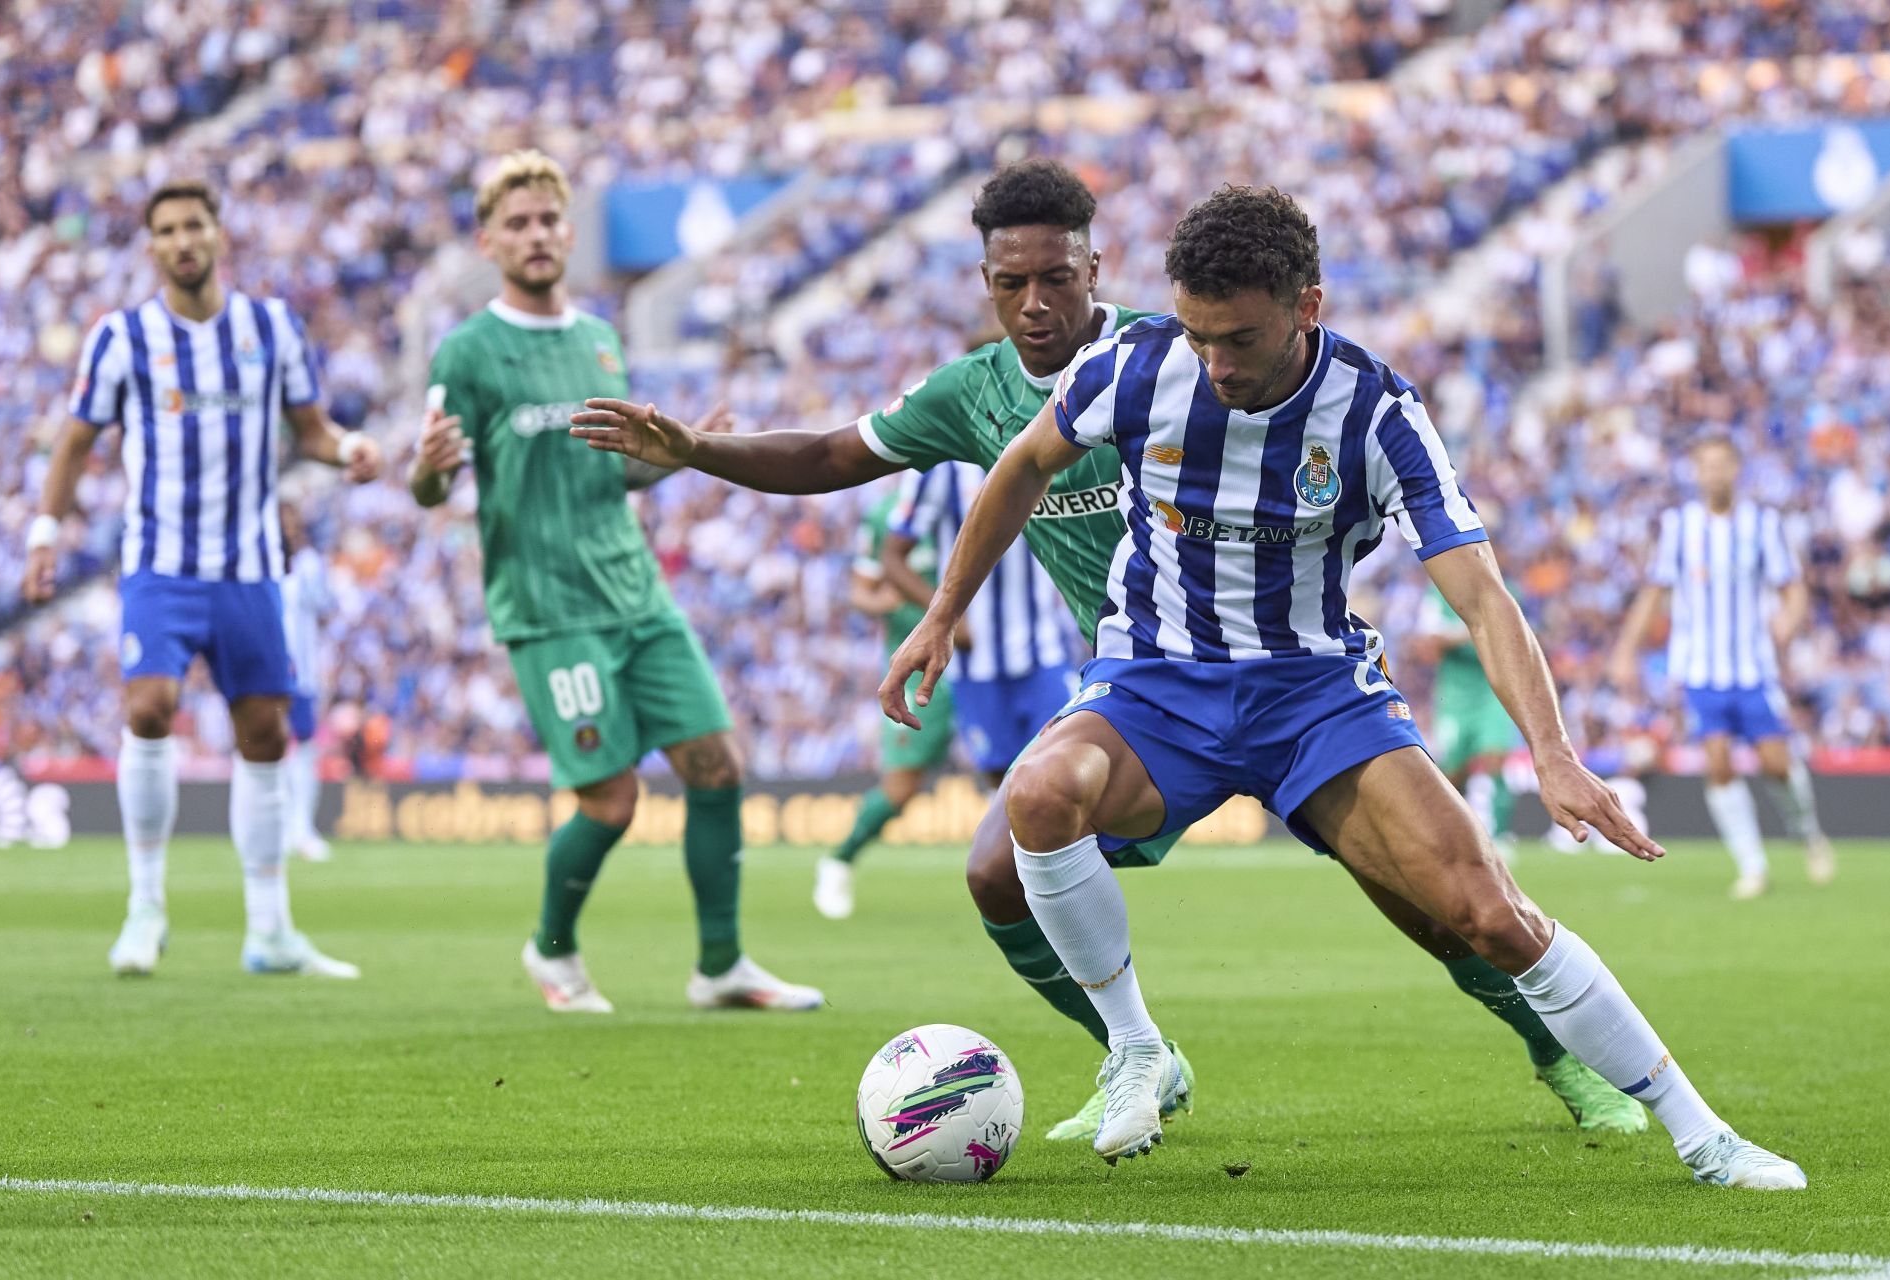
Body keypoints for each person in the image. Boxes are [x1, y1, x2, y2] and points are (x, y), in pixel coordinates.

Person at [573, 160, 1644, 1140]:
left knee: (1429, 902)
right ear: (986, 284)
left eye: (1055, 276)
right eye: (1009, 283)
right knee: (997, 870)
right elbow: (830, 452)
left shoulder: (1181, 354)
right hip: (1139, 702)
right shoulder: (976, 391)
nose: (1035, 302)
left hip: (1282, 679)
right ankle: (1140, 1056)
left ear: (1099, 267)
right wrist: (700, 449)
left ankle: (1564, 1056)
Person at [878, 184, 1804, 1189]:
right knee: (1037, 796)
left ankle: (1705, 1134)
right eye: (1198, 336)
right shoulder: (1140, 364)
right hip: (1156, 683)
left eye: (1237, 338)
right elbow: (1020, 465)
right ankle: (1137, 1043)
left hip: (1314, 694)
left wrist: (1554, 751)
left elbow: (1483, 597)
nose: (1215, 363)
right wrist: (939, 612)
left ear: (1307, 307)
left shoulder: (1374, 410)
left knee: (1487, 911)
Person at [409, 150, 820, 1016]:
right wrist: (426, 472)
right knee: (611, 797)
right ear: (488, 241)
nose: (536, 235)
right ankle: (551, 951)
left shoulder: (599, 341)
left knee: (716, 765)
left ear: (569, 232)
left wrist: (673, 457)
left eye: (549, 219)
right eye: (516, 223)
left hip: (637, 594)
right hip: (550, 611)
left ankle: (721, 966)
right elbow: (435, 485)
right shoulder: (470, 351)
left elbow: (616, 470)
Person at [22, 180, 382, 978]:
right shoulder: (121, 338)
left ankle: (271, 929)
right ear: (150, 246)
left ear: (219, 234)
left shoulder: (270, 327)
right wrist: (46, 532)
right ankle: (145, 907)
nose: (183, 240)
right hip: (160, 563)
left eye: (195, 225)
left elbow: (311, 431)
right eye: (167, 230)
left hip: (251, 568)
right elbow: (76, 442)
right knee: (148, 707)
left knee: (263, 733)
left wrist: (349, 448)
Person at [1612, 437, 1835, 898]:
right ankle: (1752, 866)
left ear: (1736, 469)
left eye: (1722, 465)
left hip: (1753, 667)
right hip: (1700, 669)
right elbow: (1655, 592)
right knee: (1717, 763)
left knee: (1776, 763)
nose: (1714, 474)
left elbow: (1793, 587)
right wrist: (1625, 650)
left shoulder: (1763, 524)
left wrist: (1787, 625)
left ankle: (1807, 832)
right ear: (1696, 473)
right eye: (1706, 466)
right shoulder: (1678, 527)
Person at [815, 481, 960, 918]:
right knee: (901, 787)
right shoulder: (885, 517)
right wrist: (885, 599)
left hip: (984, 658)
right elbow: (861, 591)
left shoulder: (972, 499)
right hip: (917, 665)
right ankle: (840, 859)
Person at [1415, 579, 1521, 859]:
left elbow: (1515, 634)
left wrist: (1467, 631)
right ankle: (1453, 835)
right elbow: (1430, 642)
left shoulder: (1504, 586)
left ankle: (1498, 837)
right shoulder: (1436, 593)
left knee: (1495, 757)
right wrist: (1480, 627)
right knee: (1453, 772)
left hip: (1492, 689)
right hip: (1454, 696)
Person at [278, 497, 333, 862]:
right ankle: (280, 828)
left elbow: (325, 610)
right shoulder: (259, 562)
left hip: (303, 676)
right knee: (269, 749)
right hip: (267, 670)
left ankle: (303, 827)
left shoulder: (310, 564)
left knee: (305, 748)